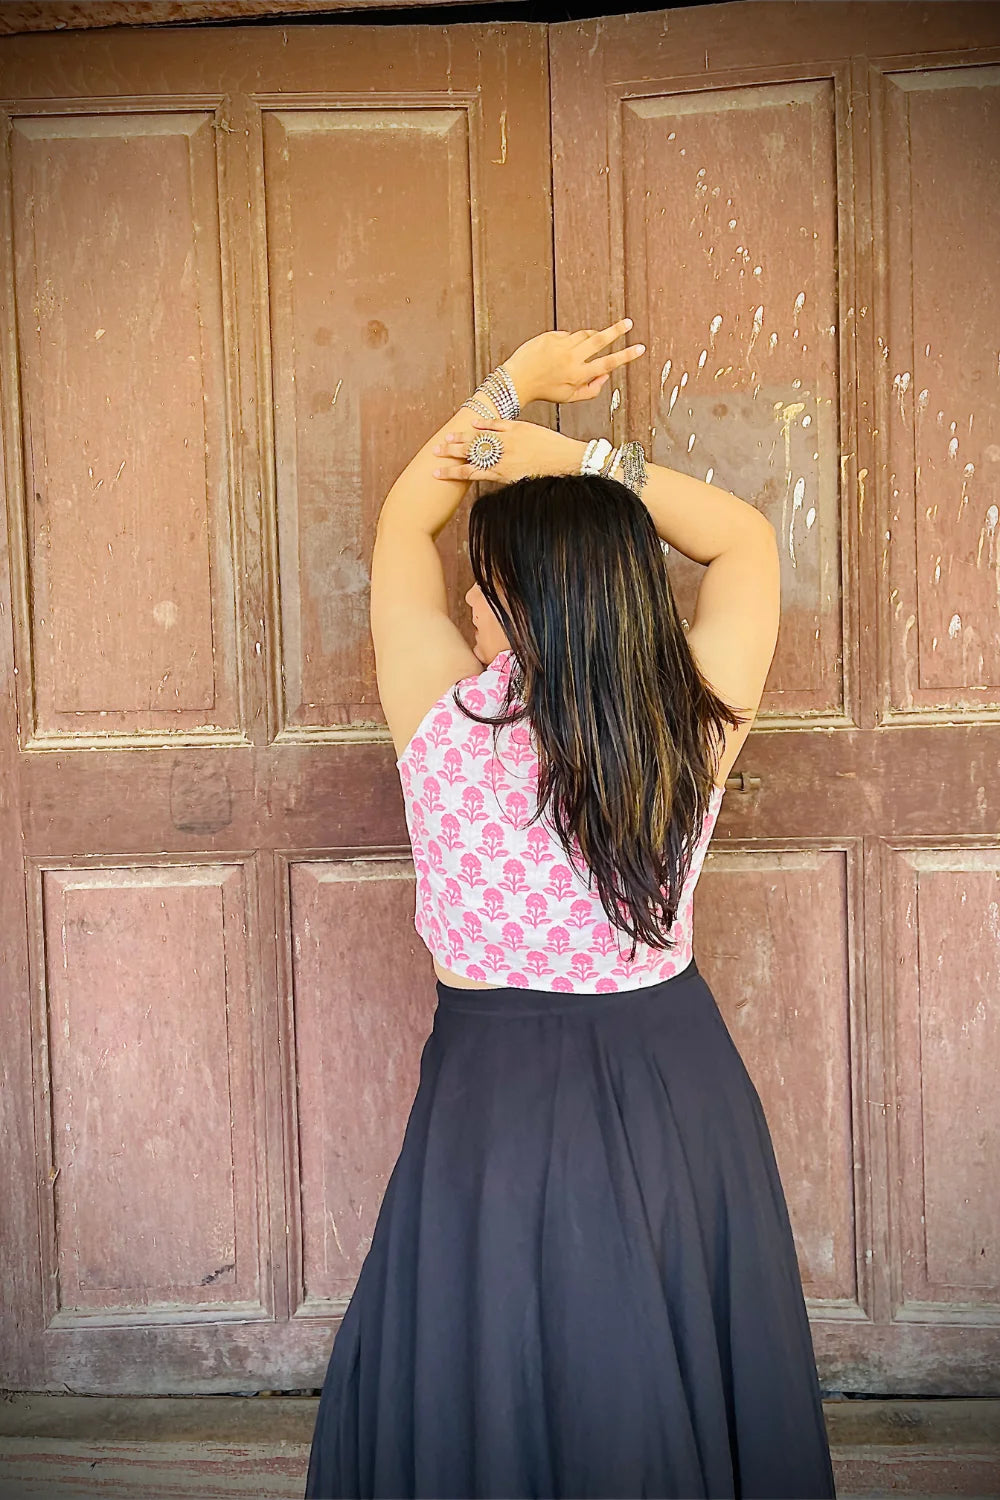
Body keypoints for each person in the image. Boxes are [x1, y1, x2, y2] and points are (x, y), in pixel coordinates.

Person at [304, 321, 837, 1499]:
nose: (467, 597)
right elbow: (743, 540)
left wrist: (509, 393)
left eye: (485, 583)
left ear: (522, 601)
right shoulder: (688, 721)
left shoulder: (440, 722)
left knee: (487, 1362)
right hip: (672, 1081)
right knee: (656, 1361)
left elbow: (404, 523)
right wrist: (581, 462)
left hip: (491, 1095)